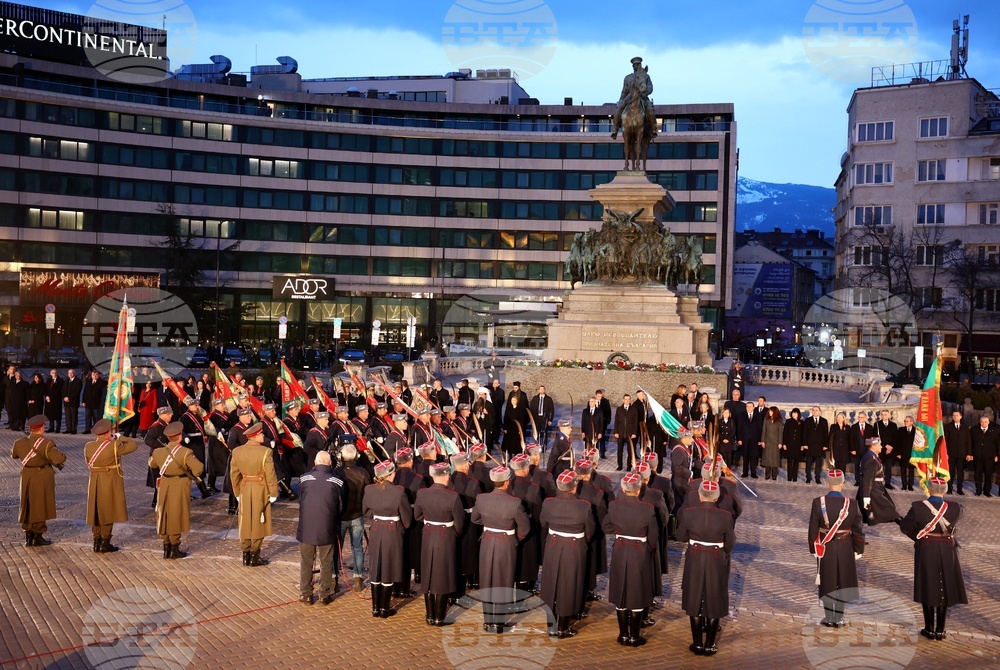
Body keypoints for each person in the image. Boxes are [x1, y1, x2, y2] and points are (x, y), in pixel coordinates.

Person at [899, 477, 967, 640]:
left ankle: (929, 629)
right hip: (947, 548)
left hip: (927, 547)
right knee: (945, 583)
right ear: (944, 490)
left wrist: (919, 536)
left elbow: (905, 527)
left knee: (927, 584)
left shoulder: (918, 507)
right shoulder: (956, 507)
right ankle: (941, 630)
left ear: (929, 490)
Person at [676, 480, 735, 656]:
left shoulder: (689, 513)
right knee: (715, 597)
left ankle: (697, 643)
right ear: (717, 498)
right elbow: (730, 543)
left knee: (694, 595)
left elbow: (680, 536)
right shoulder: (725, 516)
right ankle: (709, 644)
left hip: (694, 556)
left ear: (700, 495)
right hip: (716, 558)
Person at [471, 465, 531, 633]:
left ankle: (488, 621)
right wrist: (513, 538)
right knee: (504, 581)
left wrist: (491, 525)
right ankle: (499, 622)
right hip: (506, 544)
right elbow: (525, 527)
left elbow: (475, 518)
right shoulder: (514, 502)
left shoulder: (482, 499)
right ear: (506, 482)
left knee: (487, 580)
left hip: (488, 541)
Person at [539, 470, 596, 638]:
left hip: (553, 545)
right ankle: (563, 627)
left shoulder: (548, 503)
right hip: (574, 547)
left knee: (550, 583)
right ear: (575, 486)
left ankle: (551, 625)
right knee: (569, 585)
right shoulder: (584, 506)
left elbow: (543, 522)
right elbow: (590, 530)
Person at [604, 472, 658, 647]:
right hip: (639, 551)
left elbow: (606, 526)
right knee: (637, 590)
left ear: (623, 489)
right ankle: (634, 636)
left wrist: (620, 533)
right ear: (639, 489)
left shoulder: (613, 505)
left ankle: (623, 635)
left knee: (621, 589)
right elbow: (653, 536)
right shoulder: (647, 508)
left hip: (620, 549)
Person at [808, 469, 865, 627]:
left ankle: (829, 617)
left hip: (825, 547)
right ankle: (839, 618)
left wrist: (814, 548)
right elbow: (858, 529)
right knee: (841, 580)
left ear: (827, 483)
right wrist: (858, 549)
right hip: (846, 545)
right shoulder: (851, 504)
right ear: (843, 483)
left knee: (827, 581)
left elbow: (813, 529)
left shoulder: (818, 502)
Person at [414, 462, 465, 626]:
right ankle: (439, 617)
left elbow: (417, 516)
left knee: (428, 575)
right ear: (445, 476)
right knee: (442, 576)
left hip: (428, 535)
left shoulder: (422, 494)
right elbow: (459, 523)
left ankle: (429, 616)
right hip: (446, 537)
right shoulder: (453, 496)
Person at [363, 459, 412, 616]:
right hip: (392, 530)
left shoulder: (369, 489)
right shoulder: (399, 491)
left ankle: (375, 607)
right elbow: (407, 518)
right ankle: (384, 608)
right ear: (390, 475)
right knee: (388, 567)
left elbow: (365, 511)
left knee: (376, 566)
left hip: (376, 529)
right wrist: (402, 529)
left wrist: (377, 516)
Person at [148, 422, 203, 559]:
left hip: (164, 484)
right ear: (179, 437)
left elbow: (152, 463)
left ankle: (166, 546)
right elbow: (199, 469)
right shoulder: (186, 452)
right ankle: (174, 547)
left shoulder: (158, 451)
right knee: (176, 516)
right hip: (179, 484)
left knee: (164, 514)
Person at [297, 451, 344, 606]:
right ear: (330, 463)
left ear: (316, 463)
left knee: (306, 562)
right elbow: (340, 506)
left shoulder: (304, 479)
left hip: (307, 527)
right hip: (327, 527)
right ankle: (324, 594)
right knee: (326, 562)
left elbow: (301, 500)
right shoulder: (337, 481)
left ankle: (306, 594)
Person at [85, 419, 138, 553]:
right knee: (107, 511)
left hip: (94, 480)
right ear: (108, 432)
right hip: (109, 480)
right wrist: (120, 437)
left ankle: (96, 541)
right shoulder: (114, 446)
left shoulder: (88, 446)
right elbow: (133, 445)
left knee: (96, 511)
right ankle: (105, 542)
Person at [12, 414, 66, 546]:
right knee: (40, 505)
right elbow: (60, 459)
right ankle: (37, 536)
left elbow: (14, 454)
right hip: (41, 476)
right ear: (41, 428)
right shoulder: (46, 444)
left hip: (26, 475)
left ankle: (28, 535)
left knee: (28, 505)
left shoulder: (19, 442)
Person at [231, 422, 280, 566]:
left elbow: (234, 474)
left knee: (245, 521)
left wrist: (237, 492)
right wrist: (273, 492)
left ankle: (245, 554)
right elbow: (270, 474)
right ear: (256, 436)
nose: (263, 436)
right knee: (260, 521)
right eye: (261, 434)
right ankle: (254, 555)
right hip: (261, 489)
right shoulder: (265, 452)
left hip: (245, 487)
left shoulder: (237, 451)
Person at [336, 440, 373, 593]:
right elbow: (368, 494)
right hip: (357, 514)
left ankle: (333, 579)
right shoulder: (363, 473)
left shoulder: (337, 472)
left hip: (341, 515)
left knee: (336, 548)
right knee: (357, 547)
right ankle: (358, 579)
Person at [857, 437, 900, 525]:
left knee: (888, 508)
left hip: (876, 487)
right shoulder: (871, 459)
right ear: (873, 446)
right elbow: (867, 479)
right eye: (879, 445)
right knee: (888, 509)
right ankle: (905, 525)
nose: (881, 447)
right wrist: (866, 497)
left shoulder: (870, 456)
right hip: (874, 489)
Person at [144, 406, 173, 509]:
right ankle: (156, 501)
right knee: (158, 480)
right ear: (163, 415)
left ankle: (160, 500)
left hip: (166, 456)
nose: (170, 416)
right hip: (157, 457)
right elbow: (147, 440)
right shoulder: (156, 426)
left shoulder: (167, 425)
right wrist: (162, 446)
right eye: (169, 414)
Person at [969, 414, 999, 497]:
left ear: (989, 422)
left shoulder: (994, 431)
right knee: (977, 475)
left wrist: (997, 455)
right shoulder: (974, 430)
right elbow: (970, 443)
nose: (983, 423)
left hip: (989, 457)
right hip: (977, 456)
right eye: (982, 422)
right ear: (980, 422)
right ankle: (978, 490)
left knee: (988, 475)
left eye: (985, 422)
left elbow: (997, 444)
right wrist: (970, 454)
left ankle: (987, 491)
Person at [943, 411, 970, 495]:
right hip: (951, 454)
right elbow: (945, 441)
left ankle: (959, 489)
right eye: (953, 415)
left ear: (961, 417)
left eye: (957, 415)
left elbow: (968, 441)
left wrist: (969, 453)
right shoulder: (948, 427)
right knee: (950, 472)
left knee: (960, 472)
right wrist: (945, 453)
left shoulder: (965, 428)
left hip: (962, 454)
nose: (955, 417)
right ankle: (949, 488)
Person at [803, 406, 829, 484]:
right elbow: (804, 433)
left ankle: (817, 478)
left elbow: (825, 434)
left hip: (819, 446)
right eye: (813, 410)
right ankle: (808, 477)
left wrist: (825, 445)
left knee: (818, 463)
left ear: (819, 411)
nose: (814, 412)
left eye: (816, 410)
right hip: (809, 445)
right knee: (808, 463)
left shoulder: (824, 421)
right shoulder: (808, 420)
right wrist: (804, 444)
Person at [849, 412, 877, 485]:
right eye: (859, 417)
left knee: (867, 465)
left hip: (867, 450)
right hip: (857, 450)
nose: (860, 419)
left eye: (862, 417)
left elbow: (872, 439)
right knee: (857, 465)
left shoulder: (869, 427)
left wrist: (872, 449)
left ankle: (866, 479)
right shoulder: (854, 427)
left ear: (865, 418)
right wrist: (852, 449)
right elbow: (851, 439)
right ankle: (857, 480)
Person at [614, 394, 639, 471]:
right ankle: (620, 465)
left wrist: (634, 433)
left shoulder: (634, 409)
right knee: (620, 450)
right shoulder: (619, 409)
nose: (627, 401)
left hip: (630, 434)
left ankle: (629, 466)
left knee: (630, 451)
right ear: (623, 400)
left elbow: (636, 422)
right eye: (626, 399)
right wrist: (616, 432)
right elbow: (616, 421)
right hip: (621, 433)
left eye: (628, 399)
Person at [737, 401, 761, 478]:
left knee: (753, 457)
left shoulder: (758, 416)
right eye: (747, 406)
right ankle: (745, 472)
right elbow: (739, 428)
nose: (749, 408)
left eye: (750, 406)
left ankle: (753, 472)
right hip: (744, 440)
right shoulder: (741, 416)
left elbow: (760, 429)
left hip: (755, 440)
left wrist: (760, 440)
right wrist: (739, 439)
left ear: (753, 407)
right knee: (745, 456)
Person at [501, 393, 529, 460]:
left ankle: (516, 456)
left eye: (514, 400)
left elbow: (522, 420)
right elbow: (506, 418)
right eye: (512, 400)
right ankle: (510, 456)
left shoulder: (520, 409)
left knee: (516, 443)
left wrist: (520, 429)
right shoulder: (509, 409)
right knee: (509, 443)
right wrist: (505, 428)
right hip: (510, 428)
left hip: (517, 428)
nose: (513, 401)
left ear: (517, 401)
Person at [781, 408, 804, 482]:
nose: (794, 414)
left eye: (795, 413)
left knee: (796, 461)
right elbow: (785, 433)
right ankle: (789, 477)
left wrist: (802, 445)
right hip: (789, 444)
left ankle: (795, 477)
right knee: (790, 461)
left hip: (798, 444)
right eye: (793, 413)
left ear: (798, 414)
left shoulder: (801, 423)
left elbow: (803, 435)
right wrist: (784, 443)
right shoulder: (788, 421)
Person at [761, 406, 783, 481]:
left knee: (775, 459)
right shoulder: (766, 420)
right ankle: (767, 474)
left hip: (776, 442)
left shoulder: (779, 421)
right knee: (767, 459)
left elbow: (780, 433)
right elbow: (764, 431)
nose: (769, 412)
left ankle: (774, 475)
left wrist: (780, 442)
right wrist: (763, 441)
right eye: (769, 411)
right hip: (767, 441)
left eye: (771, 411)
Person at [896, 416, 917, 491]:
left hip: (912, 454)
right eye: (905, 421)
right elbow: (897, 442)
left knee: (911, 470)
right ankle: (904, 485)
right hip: (903, 453)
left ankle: (910, 485)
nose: (905, 422)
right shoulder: (901, 430)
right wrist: (898, 453)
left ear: (912, 422)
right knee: (903, 470)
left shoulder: (916, 430)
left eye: (907, 421)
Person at [62, 369, 83, 435]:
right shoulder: (66, 381)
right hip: (66, 402)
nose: (70, 374)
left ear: (74, 373)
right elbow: (63, 390)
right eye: (69, 373)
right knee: (68, 416)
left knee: (74, 416)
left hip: (74, 401)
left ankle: (74, 429)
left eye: (71, 373)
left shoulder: (78, 381)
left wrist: (69, 398)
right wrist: (64, 397)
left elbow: (77, 391)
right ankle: (68, 428)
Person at [595, 389, 612, 459]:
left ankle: (602, 453)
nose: (599, 398)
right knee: (595, 438)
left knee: (602, 438)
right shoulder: (592, 401)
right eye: (598, 396)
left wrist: (608, 421)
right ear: (595, 395)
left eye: (601, 396)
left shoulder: (605, 402)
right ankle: (595, 452)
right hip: (594, 424)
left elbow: (608, 412)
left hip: (603, 423)